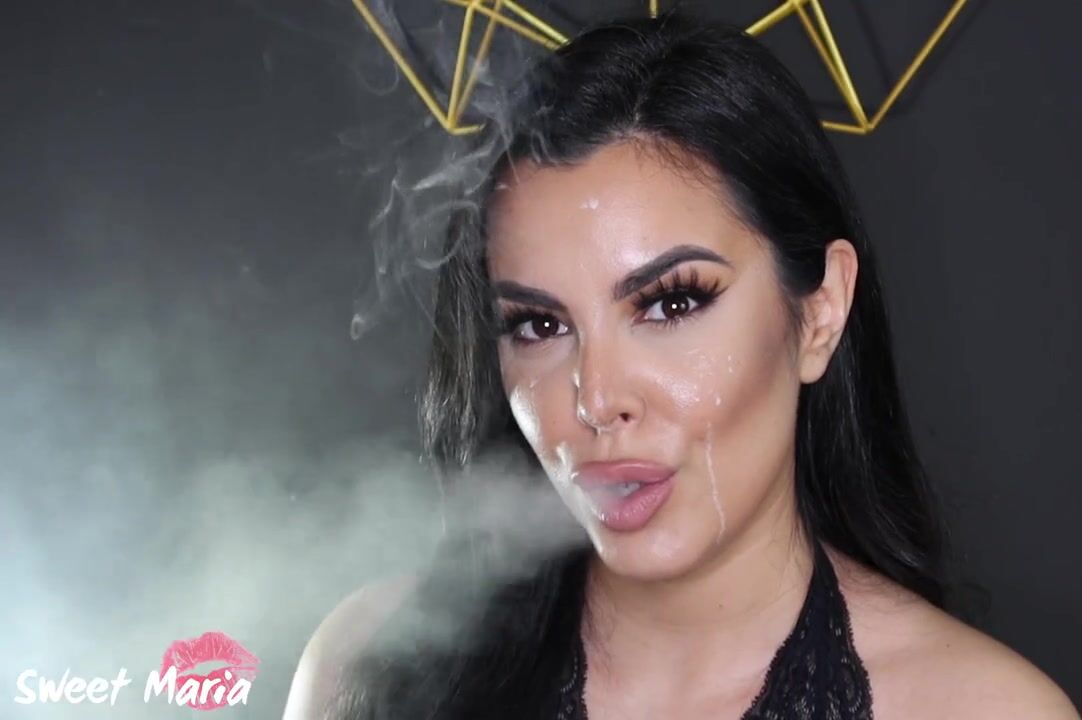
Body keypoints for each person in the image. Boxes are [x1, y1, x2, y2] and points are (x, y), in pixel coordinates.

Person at [284, 12, 1080, 720]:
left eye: (671, 304)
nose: (596, 399)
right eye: (540, 324)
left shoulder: (986, 710)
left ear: (819, 314)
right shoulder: (372, 668)